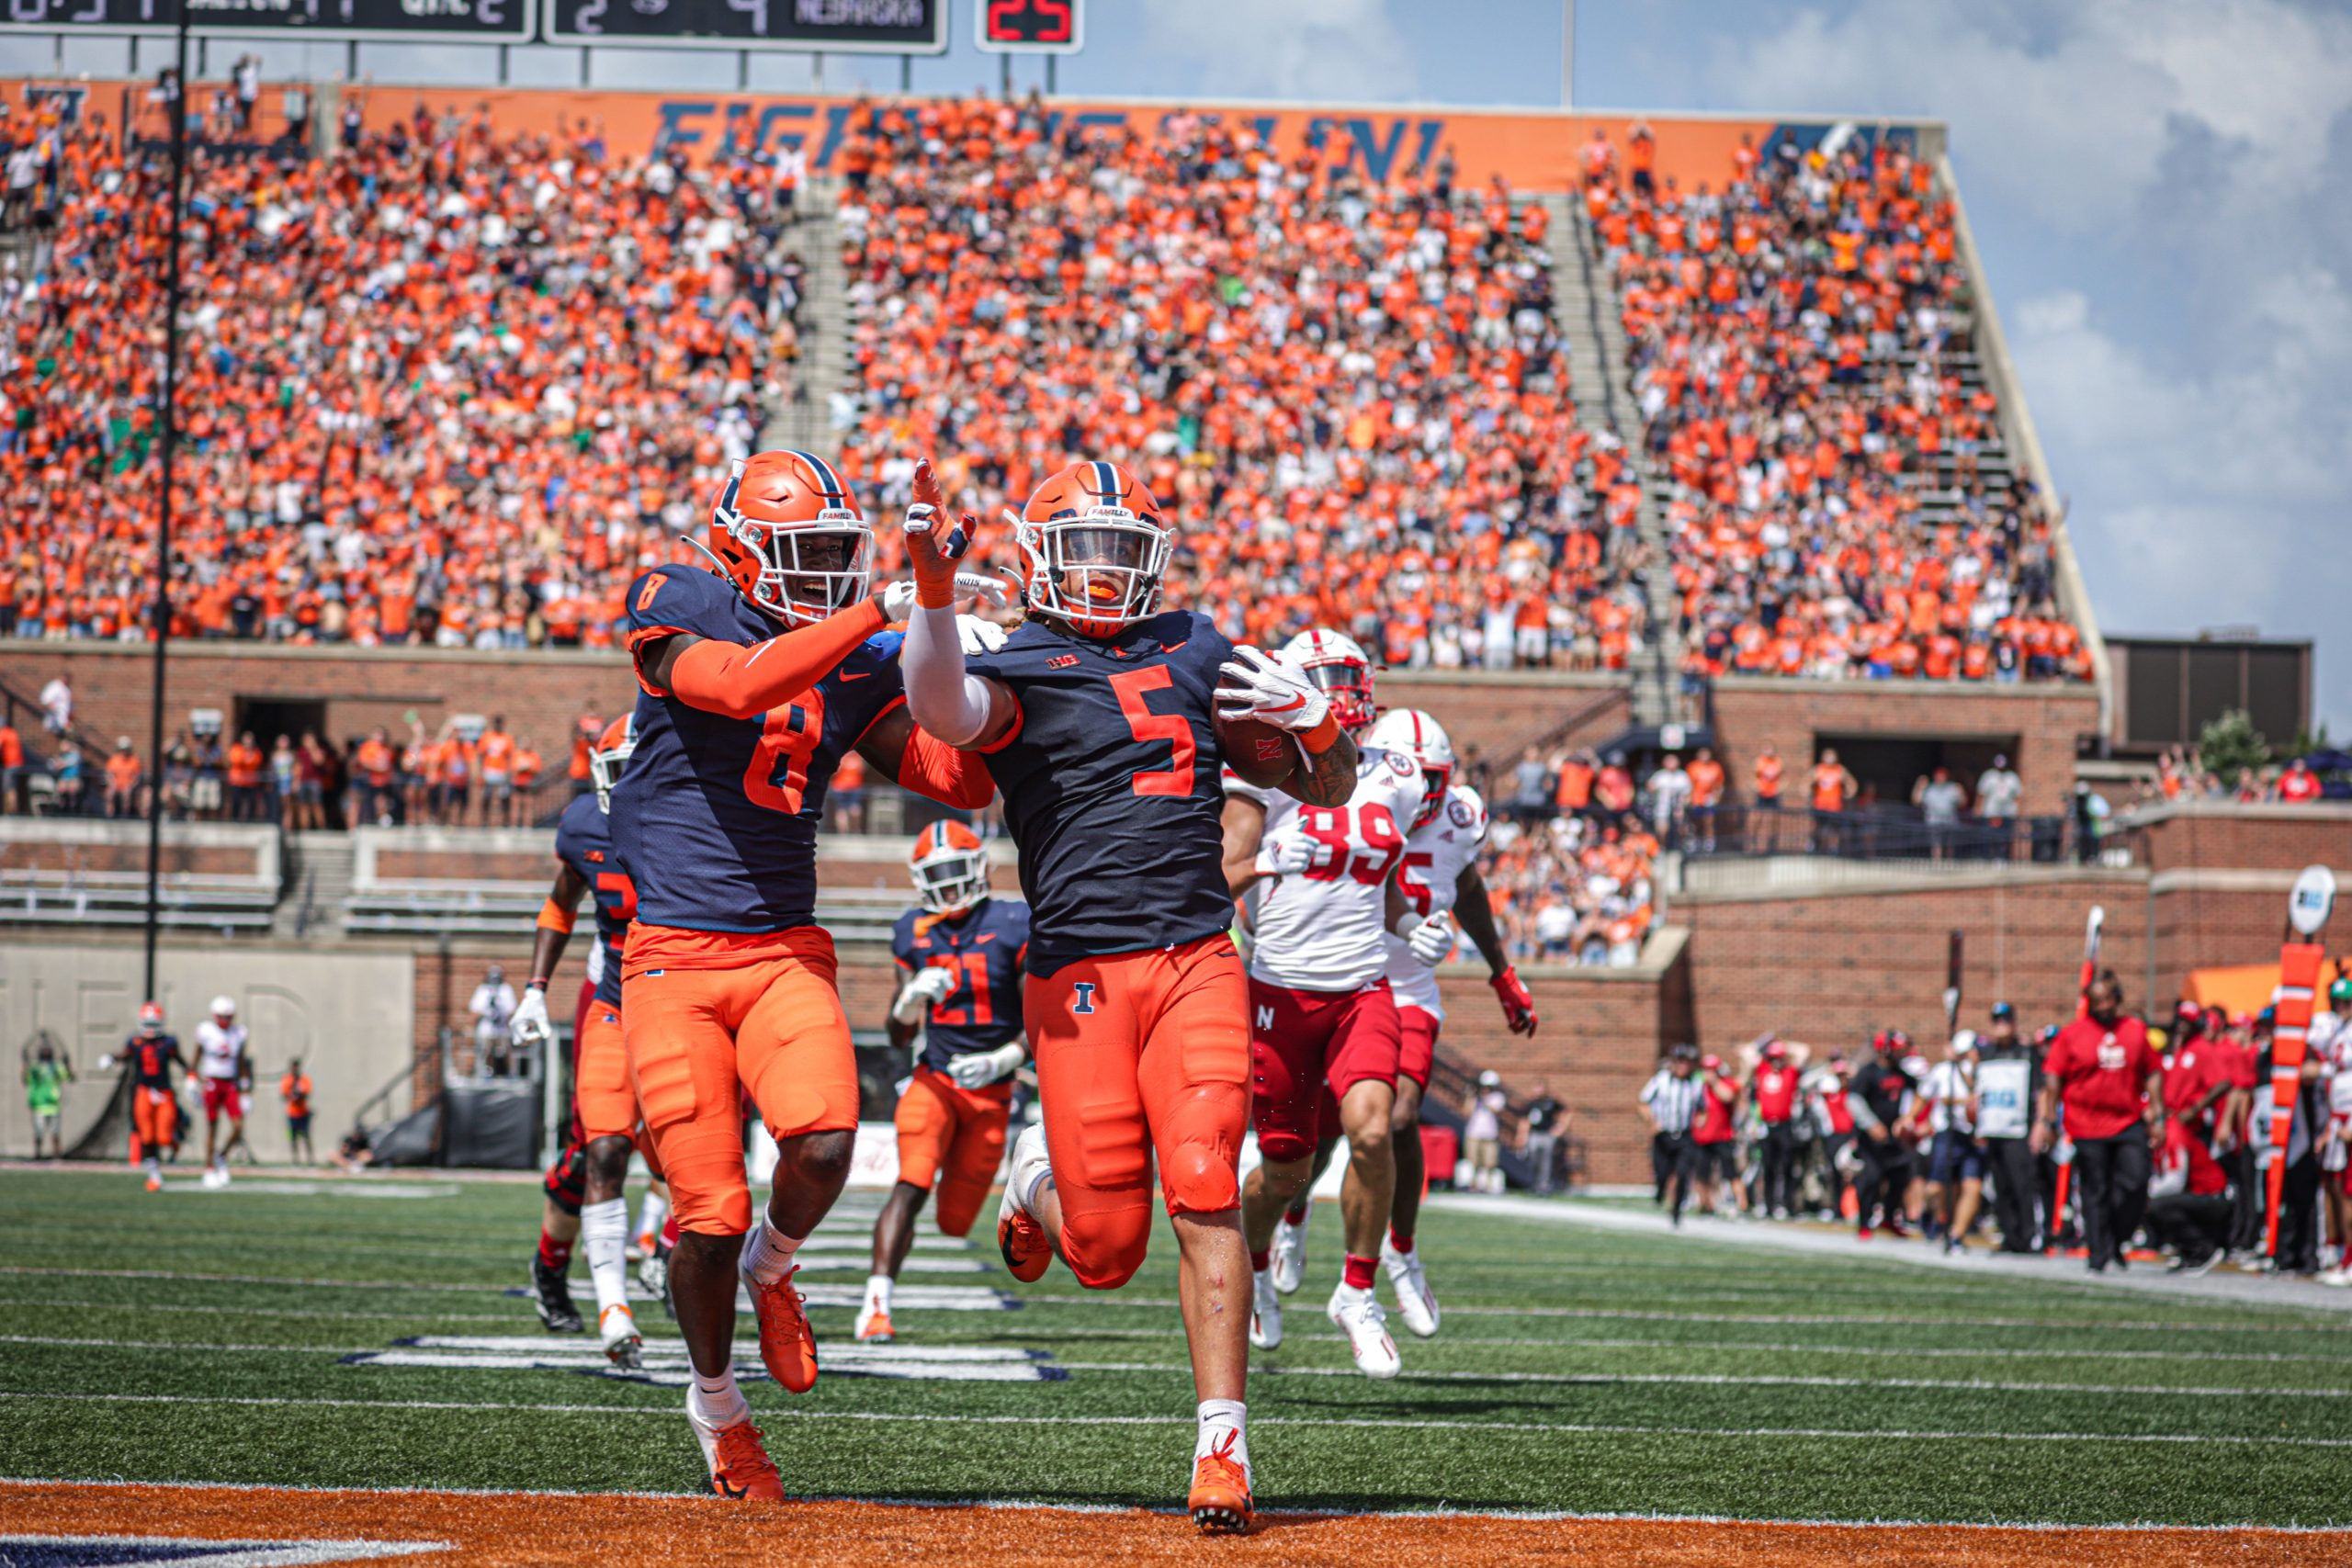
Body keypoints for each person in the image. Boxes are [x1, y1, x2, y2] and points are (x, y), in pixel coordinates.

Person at [899, 457, 1358, 1532]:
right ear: (1039, 558)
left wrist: (1318, 729)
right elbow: (940, 706)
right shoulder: (1017, 659)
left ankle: (1222, 1449)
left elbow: (1327, 790)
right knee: (1104, 1255)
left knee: (1204, 1181)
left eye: (1123, 552)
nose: (1105, 575)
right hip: (1079, 977)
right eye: (1085, 552)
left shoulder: (1197, 644)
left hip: (1198, 955)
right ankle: (1033, 1187)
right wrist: (928, 593)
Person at [612, 449, 997, 1502]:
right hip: (674, 958)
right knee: (704, 1216)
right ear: (739, 552)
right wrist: (880, 604)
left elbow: (946, 776)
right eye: (805, 553)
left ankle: (774, 1271)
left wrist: (964, 662)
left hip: (783, 945)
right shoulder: (680, 597)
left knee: (825, 1144)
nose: (825, 572)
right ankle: (719, 1411)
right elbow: (735, 687)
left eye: (840, 553)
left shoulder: (850, 650)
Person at [1260, 706, 1534, 1337]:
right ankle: (1295, 1217)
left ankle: (1399, 1252)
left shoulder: (1457, 818)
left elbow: (1466, 885)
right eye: (1420, 777)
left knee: (1394, 1118)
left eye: (1439, 778)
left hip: (1403, 990)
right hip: (1328, 983)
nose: (1429, 794)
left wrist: (1502, 971)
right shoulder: (1343, 803)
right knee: (1319, 1137)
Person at [1219, 627, 1423, 1381]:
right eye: (1324, 678)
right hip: (1280, 989)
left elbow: (1389, 874)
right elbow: (1219, 876)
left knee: (1374, 1130)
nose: (1342, 691)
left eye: (1348, 676)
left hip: (1364, 986)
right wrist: (1270, 857)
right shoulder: (1262, 777)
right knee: (1283, 1173)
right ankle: (1254, 1260)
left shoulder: (1390, 775)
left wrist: (1410, 923)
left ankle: (1358, 1291)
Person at [511, 717, 650, 1367]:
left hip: (689, 999)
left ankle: (673, 1255)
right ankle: (572, 1277)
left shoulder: (704, 816)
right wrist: (536, 986)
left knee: (693, 1143)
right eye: (615, 773)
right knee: (598, 1146)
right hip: (616, 996)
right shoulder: (583, 826)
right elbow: (562, 900)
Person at [859, 821, 1028, 1347]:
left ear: (980, 869)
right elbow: (896, 1033)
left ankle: (1023, 1205)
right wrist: (908, 1000)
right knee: (910, 1185)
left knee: (955, 1223)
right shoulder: (913, 931)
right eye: (940, 876)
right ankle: (877, 1303)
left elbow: (1042, 1015)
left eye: (958, 872)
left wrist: (1007, 1058)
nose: (951, 886)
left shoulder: (1014, 922)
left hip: (993, 1089)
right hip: (933, 1079)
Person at [2035, 972, 2163, 1272]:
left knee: (2136, 1181)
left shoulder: (2133, 1030)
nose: (2104, 1006)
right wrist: (2048, 1119)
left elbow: (2153, 1071)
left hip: (2127, 1119)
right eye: (2097, 1001)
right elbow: (2053, 1078)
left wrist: (2158, 1113)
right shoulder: (2073, 1034)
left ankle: (2117, 1236)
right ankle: (2098, 1250)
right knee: (2096, 1189)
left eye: (2108, 999)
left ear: (2117, 999)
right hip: (2087, 1124)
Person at [1973, 1002, 2044, 1252]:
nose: (2001, 1025)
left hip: (2018, 1129)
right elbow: (1978, 1092)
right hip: (1993, 1129)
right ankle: (2010, 1235)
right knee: (2000, 1187)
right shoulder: (1986, 1053)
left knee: (2022, 1184)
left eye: (2005, 1020)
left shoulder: (2027, 1053)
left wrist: (2041, 1124)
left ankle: (2028, 1236)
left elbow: (2042, 1090)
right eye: (1996, 1020)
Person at [1918, 1030, 1985, 1251]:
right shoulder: (1945, 1071)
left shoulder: (1982, 1071)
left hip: (1974, 1136)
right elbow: (1941, 1098)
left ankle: (1957, 1234)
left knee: (1972, 1186)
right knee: (1936, 1188)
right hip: (1948, 1134)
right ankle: (1933, 1216)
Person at [1849, 1031, 1917, 1238]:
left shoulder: (1901, 1074)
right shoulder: (1868, 1073)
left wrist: (1907, 1120)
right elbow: (1854, 1100)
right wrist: (1871, 1124)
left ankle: (1888, 1218)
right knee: (1871, 1178)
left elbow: (1918, 1094)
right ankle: (1864, 1223)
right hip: (1870, 1138)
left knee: (1900, 1176)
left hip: (1893, 1137)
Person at [125, 1003, 188, 1191]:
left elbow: (180, 1060)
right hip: (144, 1091)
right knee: (147, 1136)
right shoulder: (135, 1042)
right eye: (148, 1023)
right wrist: (111, 1058)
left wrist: (191, 1075)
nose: (151, 1028)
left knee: (163, 1137)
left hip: (163, 1092)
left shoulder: (168, 1042)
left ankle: (175, 1141)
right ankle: (154, 1174)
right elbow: (125, 1055)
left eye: (154, 1023)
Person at [1639, 1046, 1704, 1224]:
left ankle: (1677, 1210)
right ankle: (1660, 1192)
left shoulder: (1696, 1084)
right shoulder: (1661, 1080)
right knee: (1662, 1172)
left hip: (1684, 1135)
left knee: (1683, 1173)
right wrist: (1652, 1122)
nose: (1685, 1066)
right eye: (1681, 1062)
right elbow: (1643, 1103)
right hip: (1663, 1135)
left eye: (1688, 1063)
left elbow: (1702, 1109)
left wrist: (1700, 1123)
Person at [192, 996, 250, 1188]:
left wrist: (246, 1087)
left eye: (228, 1017)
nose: (225, 1021)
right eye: (221, 1017)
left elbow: (241, 1060)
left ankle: (221, 1157)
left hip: (230, 1084)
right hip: (212, 1082)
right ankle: (208, 1167)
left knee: (238, 1126)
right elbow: (197, 1055)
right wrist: (191, 1078)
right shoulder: (206, 1031)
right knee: (212, 1126)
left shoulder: (238, 1033)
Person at [1749, 1037, 1804, 1219]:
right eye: (1772, 1058)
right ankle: (1769, 1205)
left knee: (1787, 1167)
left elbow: (1804, 1051)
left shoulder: (1789, 1072)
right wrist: (1766, 1042)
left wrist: (1785, 1046)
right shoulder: (1762, 1071)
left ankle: (1788, 1205)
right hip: (1766, 1126)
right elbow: (1747, 1053)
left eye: (1778, 1058)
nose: (1775, 1062)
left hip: (1785, 1126)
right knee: (1768, 1167)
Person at [23, 1038, 72, 1158]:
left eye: (48, 1051)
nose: (46, 1053)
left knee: (55, 1132)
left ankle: (57, 1154)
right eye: (43, 1051)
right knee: (38, 1133)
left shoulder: (56, 1067)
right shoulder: (35, 1068)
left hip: (54, 1105)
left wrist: (67, 1064)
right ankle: (37, 1154)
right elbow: (26, 1079)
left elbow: (69, 1077)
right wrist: (24, 1064)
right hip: (39, 1105)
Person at [468, 965, 517, 1077]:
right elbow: (475, 1010)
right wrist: (486, 1012)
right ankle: (486, 1072)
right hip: (486, 1029)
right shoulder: (482, 990)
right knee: (485, 1051)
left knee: (506, 1050)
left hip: (502, 1028)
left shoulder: (506, 989)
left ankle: (510, 1072)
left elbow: (511, 1010)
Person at [1464, 1070, 1507, 1194]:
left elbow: (1496, 1110)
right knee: (1474, 1161)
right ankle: (1474, 1184)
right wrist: (1471, 1096)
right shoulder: (1475, 1098)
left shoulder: (1497, 1097)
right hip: (1474, 1133)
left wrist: (1484, 1100)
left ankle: (1488, 1185)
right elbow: (1466, 1112)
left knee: (1489, 1162)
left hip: (1490, 1134)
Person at [1912, 766, 1966, 862]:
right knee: (1936, 844)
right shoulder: (1929, 789)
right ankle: (1937, 862)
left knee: (1950, 844)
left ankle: (1950, 862)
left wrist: (1961, 792)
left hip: (1950, 821)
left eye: (1942, 776)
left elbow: (1963, 803)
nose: (1940, 778)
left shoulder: (1952, 788)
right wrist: (1919, 787)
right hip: (1933, 821)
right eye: (1938, 776)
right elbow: (1916, 801)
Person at [1521, 1081, 1566, 1196]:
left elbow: (1566, 1112)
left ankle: (1544, 1186)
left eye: (1540, 1088)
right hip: (1534, 1134)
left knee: (1546, 1162)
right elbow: (1525, 1121)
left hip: (1546, 1135)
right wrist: (1522, 1135)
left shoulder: (1550, 1102)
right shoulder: (1531, 1103)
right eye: (1536, 1087)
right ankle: (1533, 1184)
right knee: (1533, 1160)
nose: (1538, 1090)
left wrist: (1560, 1128)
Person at [279, 1056, 314, 1166]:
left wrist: (299, 1093)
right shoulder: (287, 1080)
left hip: (303, 1112)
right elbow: (283, 1095)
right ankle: (295, 1159)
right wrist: (292, 1091)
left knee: (306, 1136)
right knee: (293, 1137)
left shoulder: (304, 1079)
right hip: (292, 1113)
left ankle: (310, 1159)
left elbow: (307, 1094)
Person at [104, 738, 141, 819]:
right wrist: (112, 784)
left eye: (126, 749)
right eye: (122, 749)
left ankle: (125, 814)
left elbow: (136, 777)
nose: (124, 751)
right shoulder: (114, 760)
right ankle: (109, 814)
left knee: (127, 793)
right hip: (115, 785)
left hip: (128, 786)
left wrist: (130, 785)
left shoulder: (134, 761)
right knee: (109, 793)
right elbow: (108, 774)